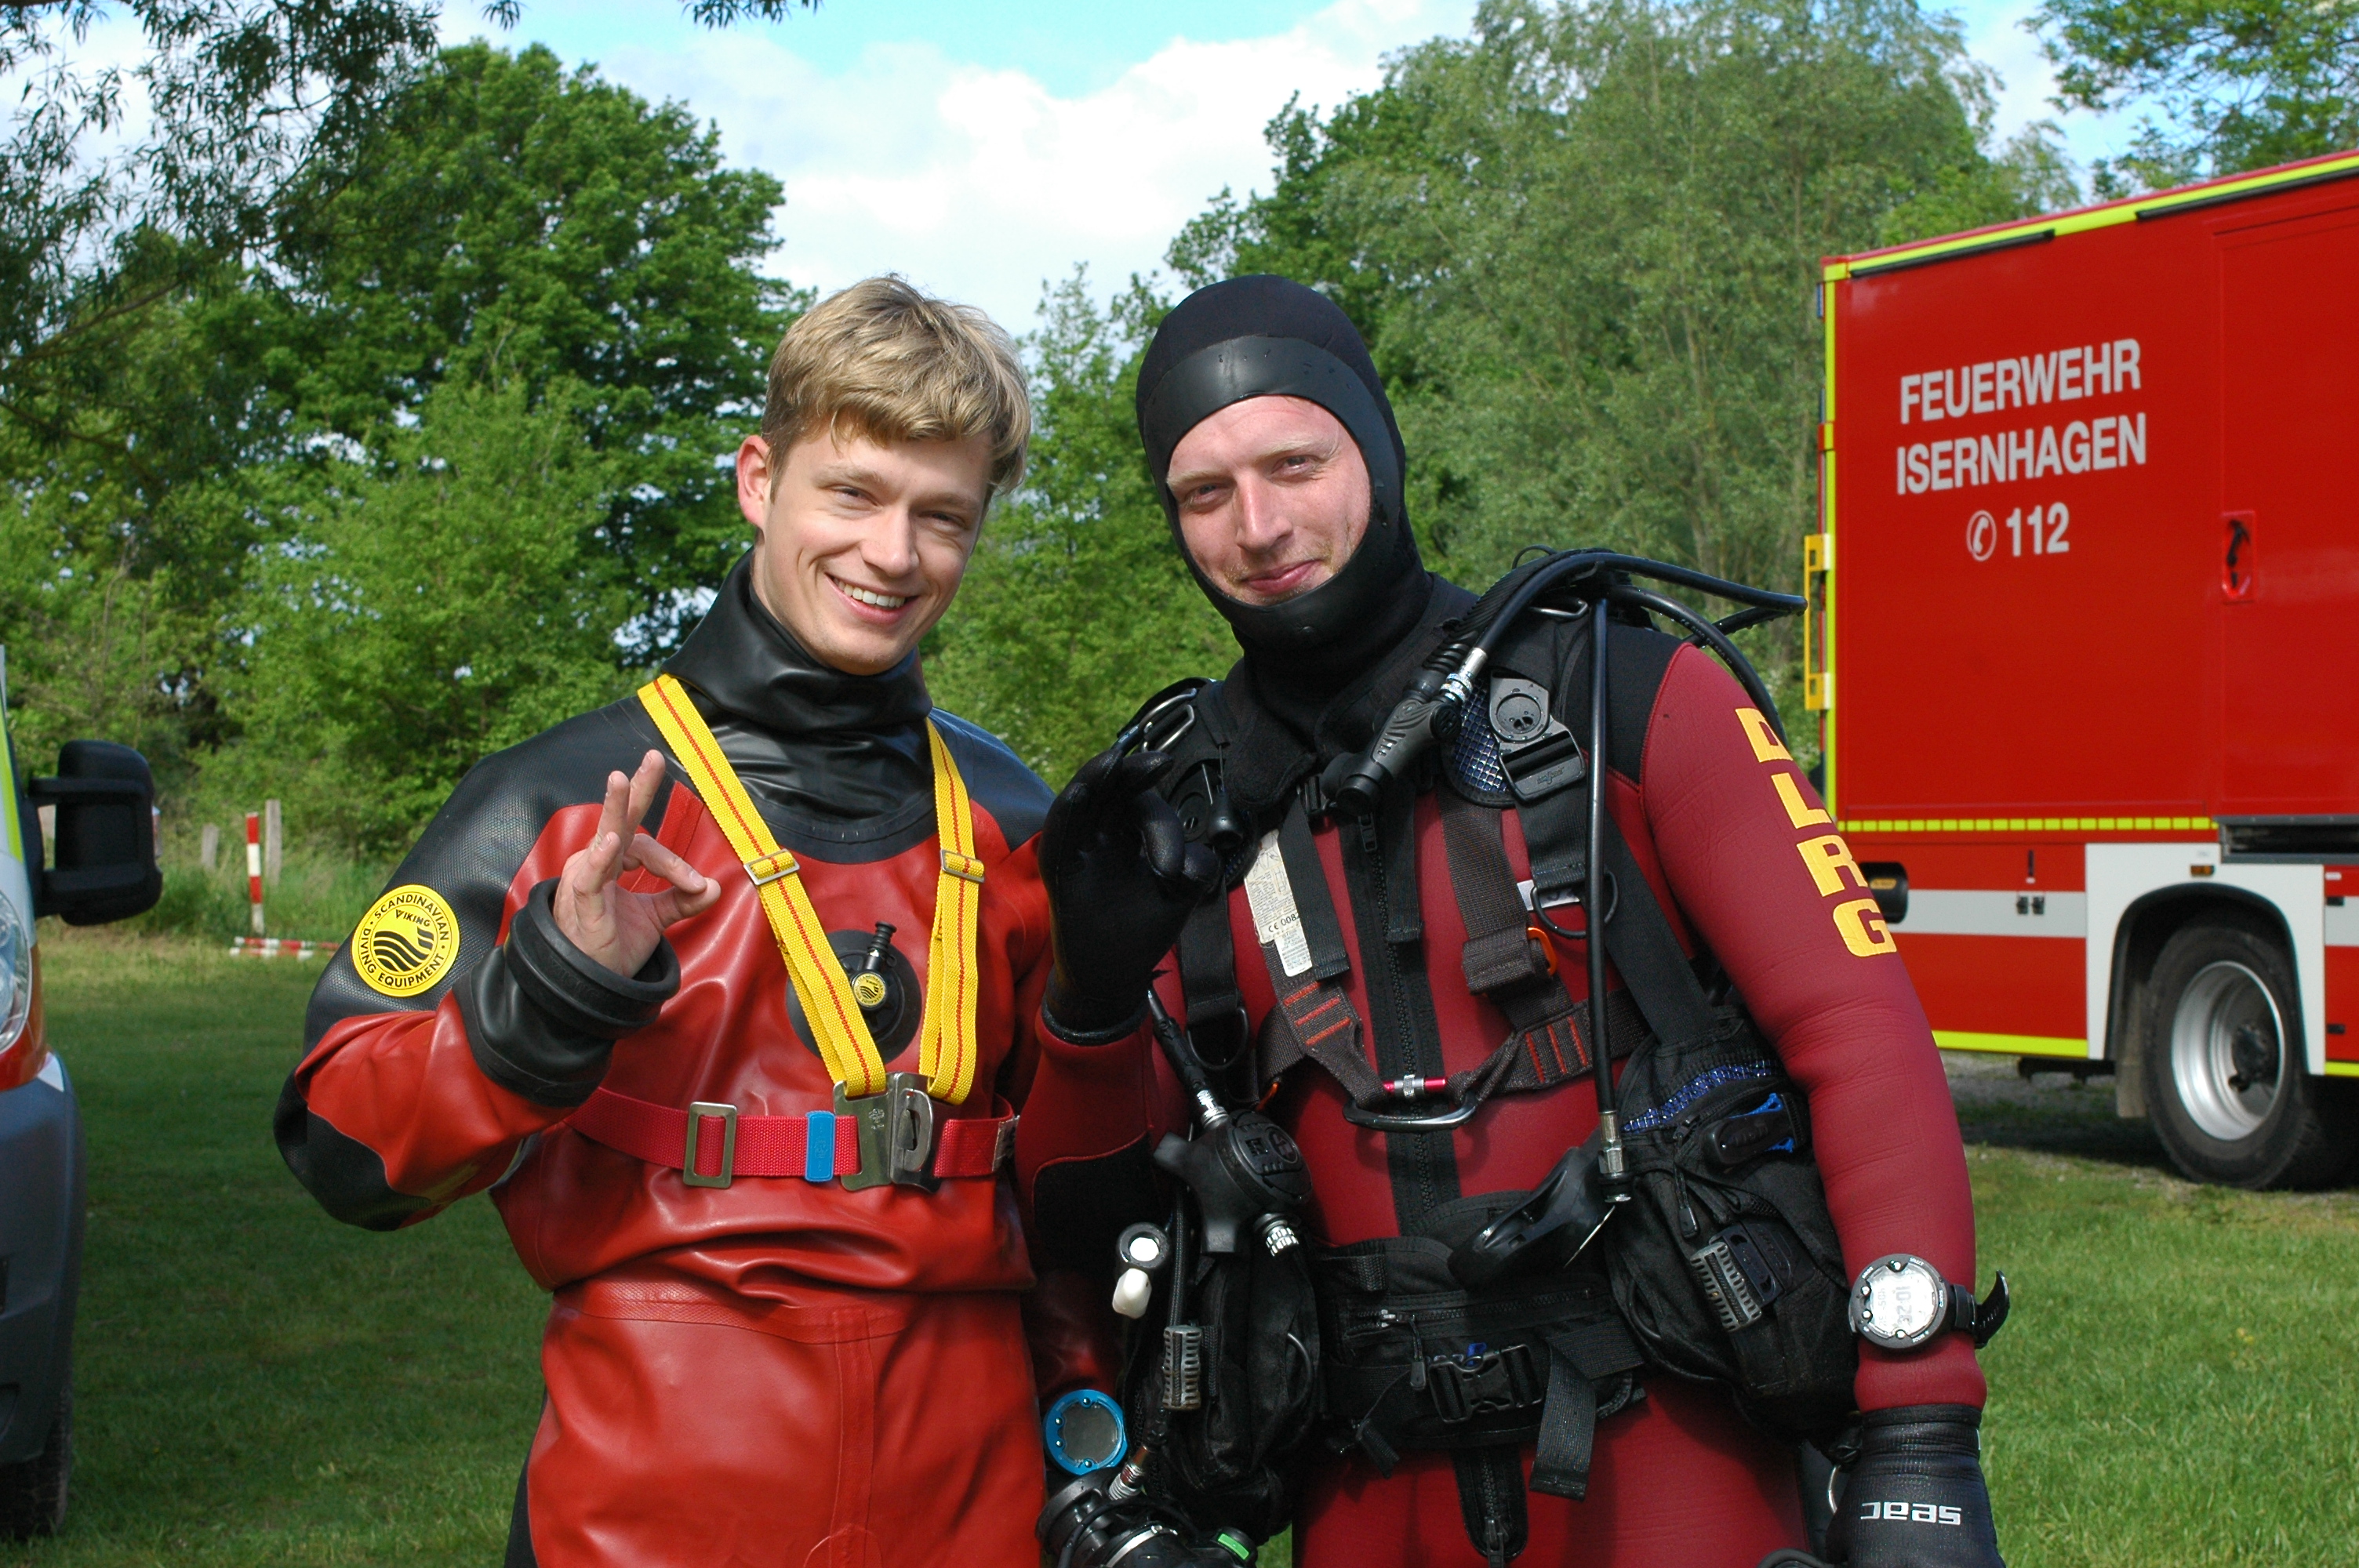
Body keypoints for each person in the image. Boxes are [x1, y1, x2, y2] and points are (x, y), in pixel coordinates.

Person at [1032, 276, 2005, 1567]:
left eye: (1296, 463)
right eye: (1205, 495)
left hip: (1671, 1465)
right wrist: (1089, 1003)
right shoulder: (1182, 820)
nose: (1260, 525)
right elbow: (1081, 1225)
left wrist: (1921, 1432)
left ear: (1376, 453)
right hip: (1364, 1485)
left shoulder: (1624, 694)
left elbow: (1858, 1028)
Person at [276, 277, 1139, 1567]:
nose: (892, 556)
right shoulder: (565, 800)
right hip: (661, 1480)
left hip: (972, 1481)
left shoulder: (1014, 818)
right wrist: (553, 992)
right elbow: (340, 1144)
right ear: (758, 480)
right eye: (851, 494)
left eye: (941, 517)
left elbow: (1081, 1189)